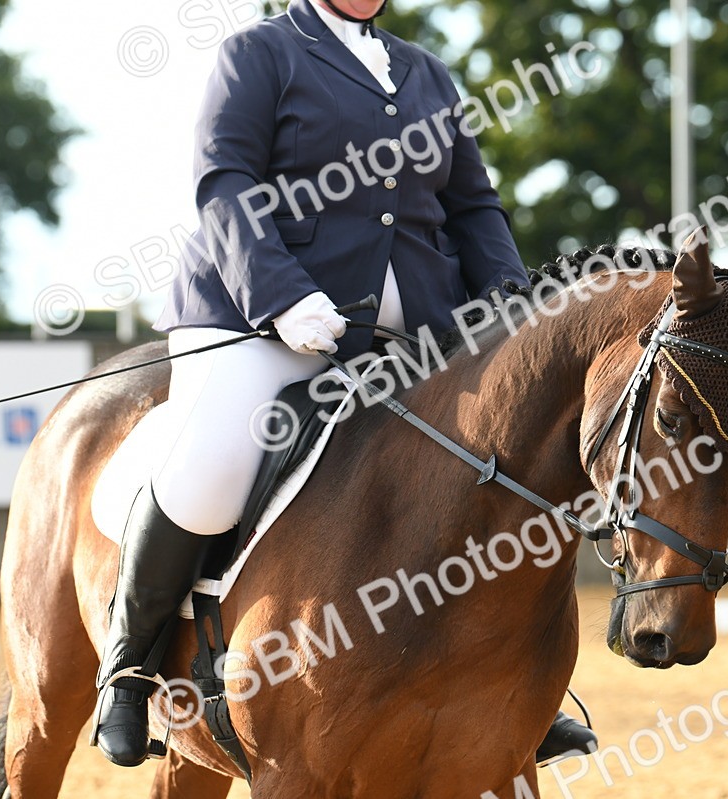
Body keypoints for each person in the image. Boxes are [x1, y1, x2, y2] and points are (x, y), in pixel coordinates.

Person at [92, 0, 597, 768]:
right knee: (213, 466)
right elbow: (225, 180)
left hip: (416, 338)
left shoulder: (425, 74)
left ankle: (514, 690)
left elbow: (474, 209)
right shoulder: (260, 54)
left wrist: (511, 314)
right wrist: (281, 295)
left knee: (485, 474)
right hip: (259, 320)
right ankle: (129, 666)